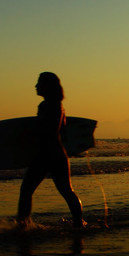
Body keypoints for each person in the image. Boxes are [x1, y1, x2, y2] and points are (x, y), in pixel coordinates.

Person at [17, 72, 85, 228]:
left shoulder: (52, 105)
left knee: (27, 190)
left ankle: (22, 226)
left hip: (48, 155)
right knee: (66, 191)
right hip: (56, 155)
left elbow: (51, 131)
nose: (36, 86)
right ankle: (78, 224)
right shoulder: (52, 105)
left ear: (48, 86)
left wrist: (28, 133)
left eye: (39, 82)